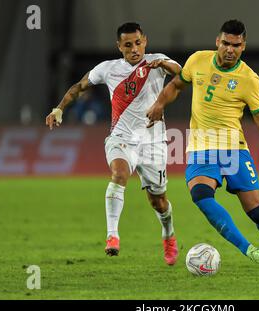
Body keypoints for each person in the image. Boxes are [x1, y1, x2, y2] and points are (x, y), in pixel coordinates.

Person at [147, 20, 259, 272]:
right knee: (200, 196)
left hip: (233, 150)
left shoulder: (249, 78)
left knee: (257, 212)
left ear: (243, 46)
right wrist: (160, 103)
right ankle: (248, 249)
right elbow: (175, 85)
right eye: (225, 43)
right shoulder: (197, 60)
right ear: (218, 41)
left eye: (235, 45)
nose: (229, 49)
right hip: (201, 148)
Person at [46, 22, 182, 265]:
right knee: (119, 174)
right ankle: (112, 236)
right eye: (128, 45)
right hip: (121, 138)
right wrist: (59, 108)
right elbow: (79, 86)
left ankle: (168, 235)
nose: (134, 49)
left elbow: (181, 73)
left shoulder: (157, 61)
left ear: (145, 41)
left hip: (154, 142)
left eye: (138, 43)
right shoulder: (108, 69)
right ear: (119, 46)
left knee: (158, 201)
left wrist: (162, 64)